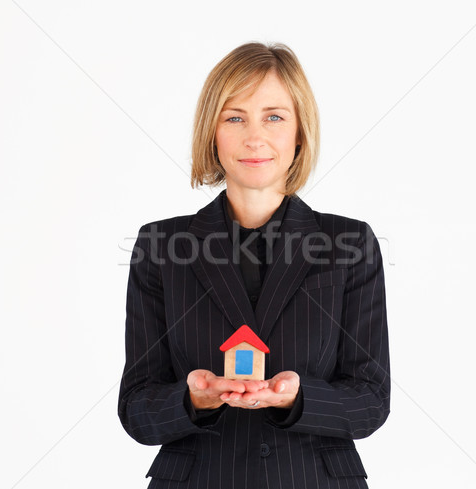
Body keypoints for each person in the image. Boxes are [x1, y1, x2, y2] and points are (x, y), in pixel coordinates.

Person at [118, 41, 390, 489]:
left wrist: (298, 399)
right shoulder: (161, 245)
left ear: (300, 131)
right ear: (212, 131)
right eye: (234, 117)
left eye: (274, 117)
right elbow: (137, 410)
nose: (254, 137)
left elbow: (371, 401)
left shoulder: (349, 243)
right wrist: (194, 399)